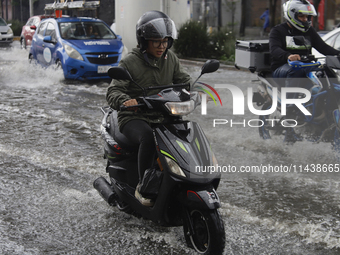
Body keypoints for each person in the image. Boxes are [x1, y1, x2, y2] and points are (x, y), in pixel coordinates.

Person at [106, 11, 191, 206]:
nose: (162, 46)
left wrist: (194, 92)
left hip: (163, 114)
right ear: (144, 41)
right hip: (135, 117)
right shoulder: (130, 62)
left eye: (165, 41)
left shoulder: (171, 59)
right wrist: (125, 101)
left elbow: (184, 81)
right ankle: (144, 185)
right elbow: (114, 91)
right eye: (156, 42)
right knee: (149, 138)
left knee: (186, 133)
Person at [270, 0, 340, 116]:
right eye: (301, 16)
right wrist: (288, 56)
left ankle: (329, 107)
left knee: (327, 71)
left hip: (306, 66)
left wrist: (338, 54)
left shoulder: (309, 31)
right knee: (296, 70)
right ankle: (289, 108)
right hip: (283, 68)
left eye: (307, 16)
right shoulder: (277, 31)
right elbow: (275, 49)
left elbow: (323, 47)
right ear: (291, 15)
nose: (305, 19)